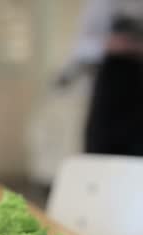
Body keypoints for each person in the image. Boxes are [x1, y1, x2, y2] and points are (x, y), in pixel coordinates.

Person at [58, 0, 143, 156]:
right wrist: (116, 44)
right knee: (100, 154)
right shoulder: (104, 4)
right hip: (110, 95)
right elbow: (82, 47)